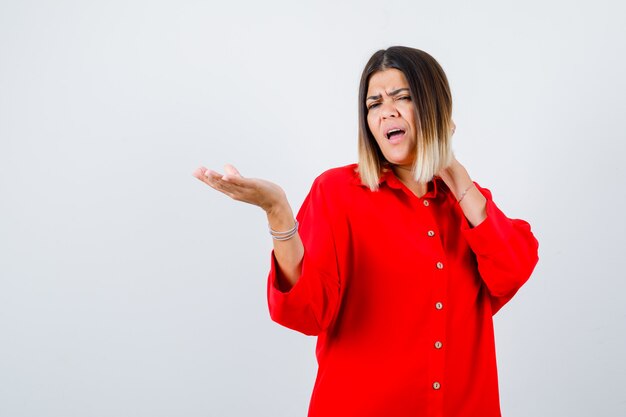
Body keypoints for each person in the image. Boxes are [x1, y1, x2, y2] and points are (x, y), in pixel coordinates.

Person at [193, 46, 539, 417]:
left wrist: (455, 173)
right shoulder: (338, 192)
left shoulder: (469, 206)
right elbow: (306, 313)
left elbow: (511, 271)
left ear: (437, 109)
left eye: (402, 97)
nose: (386, 110)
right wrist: (277, 212)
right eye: (374, 104)